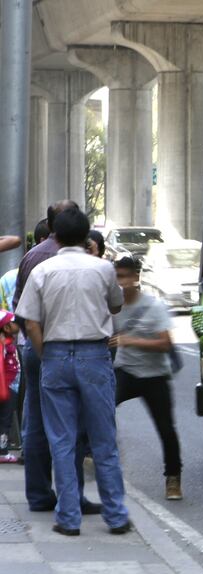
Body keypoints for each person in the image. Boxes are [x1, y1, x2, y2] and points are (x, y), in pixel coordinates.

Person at [16, 207, 129, 537]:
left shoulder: (43, 270)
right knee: (104, 440)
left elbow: (31, 322)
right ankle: (116, 515)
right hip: (95, 354)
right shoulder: (103, 269)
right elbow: (116, 305)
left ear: (54, 234)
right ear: (86, 236)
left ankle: (68, 517)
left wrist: (45, 353)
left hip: (56, 355)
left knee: (61, 441)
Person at [11, 201, 98, 515]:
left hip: (36, 348)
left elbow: (20, 309)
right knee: (72, 424)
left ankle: (38, 494)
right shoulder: (91, 262)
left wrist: (38, 345)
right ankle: (72, 496)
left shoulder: (33, 256)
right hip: (70, 348)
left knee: (35, 419)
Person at [111, 256, 183, 500]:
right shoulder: (113, 306)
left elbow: (165, 343)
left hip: (154, 375)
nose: (120, 283)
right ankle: (103, 463)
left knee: (166, 428)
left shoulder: (154, 306)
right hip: (125, 371)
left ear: (135, 278)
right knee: (101, 410)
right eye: (116, 277)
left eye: (124, 277)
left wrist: (130, 340)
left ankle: (173, 478)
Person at [0, 311, 18, 463]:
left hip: (11, 386)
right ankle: (3, 451)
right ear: (6, 328)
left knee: (6, 418)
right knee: (5, 420)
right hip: (6, 387)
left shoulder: (8, 342)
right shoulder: (3, 345)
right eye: (14, 322)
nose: (17, 324)